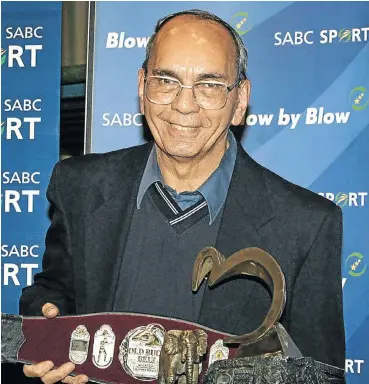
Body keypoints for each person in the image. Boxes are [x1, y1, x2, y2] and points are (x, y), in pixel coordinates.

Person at [20, 9, 345, 384]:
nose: (184, 105)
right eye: (166, 81)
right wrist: (49, 325)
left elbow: (321, 375)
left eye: (209, 85)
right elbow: (54, 290)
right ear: (143, 89)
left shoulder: (306, 224)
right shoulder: (80, 185)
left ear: (240, 101)